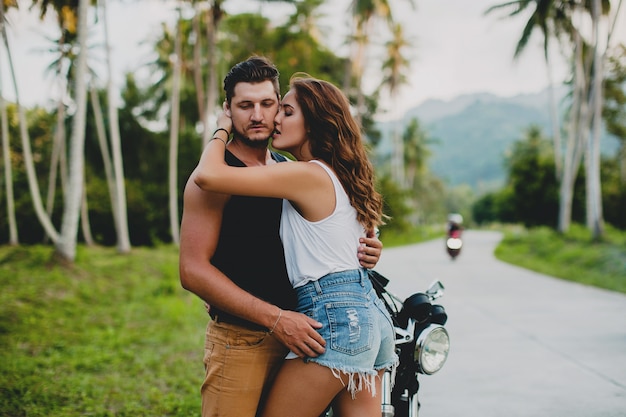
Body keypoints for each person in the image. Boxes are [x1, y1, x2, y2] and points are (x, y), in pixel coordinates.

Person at [179, 56, 383, 417]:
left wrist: (366, 250)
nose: (258, 115)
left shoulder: (292, 171)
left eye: (269, 105)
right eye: (244, 106)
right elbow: (193, 270)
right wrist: (273, 317)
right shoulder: (213, 177)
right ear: (228, 110)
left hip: (310, 330)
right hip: (246, 338)